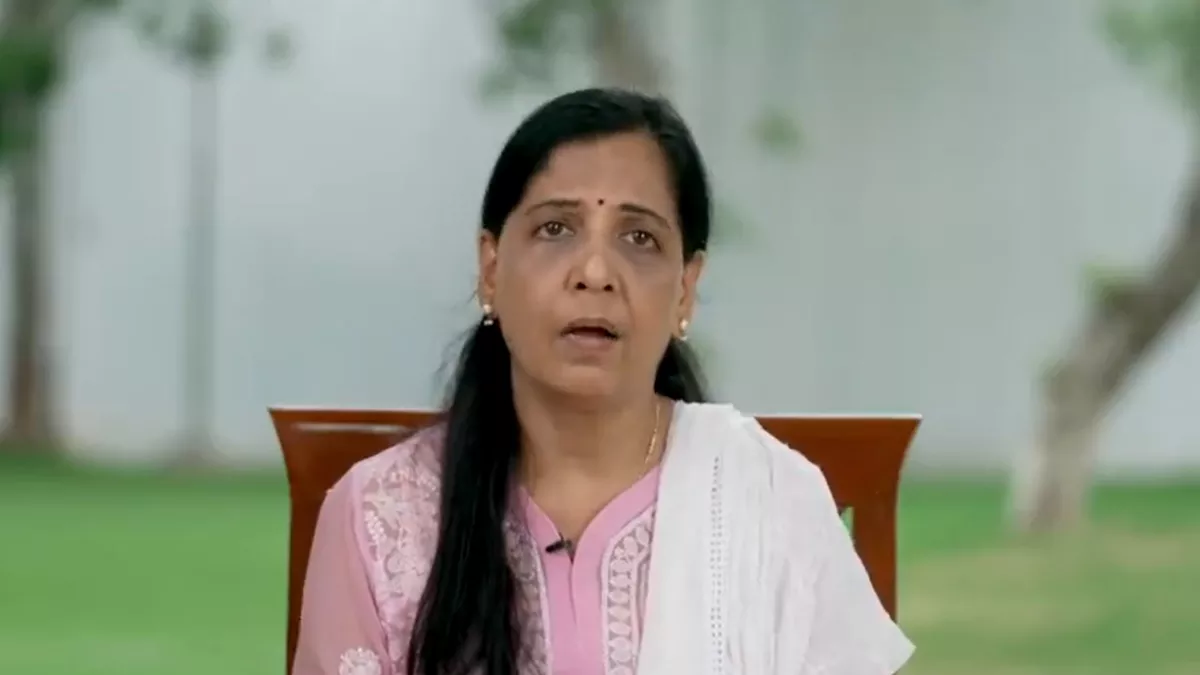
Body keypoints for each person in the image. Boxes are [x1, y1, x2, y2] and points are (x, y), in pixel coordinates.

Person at [293, 87, 913, 675]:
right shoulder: (380, 515)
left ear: (685, 289)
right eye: (555, 229)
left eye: (639, 237)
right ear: (491, 269)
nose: (595, 271)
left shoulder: (770, 501)